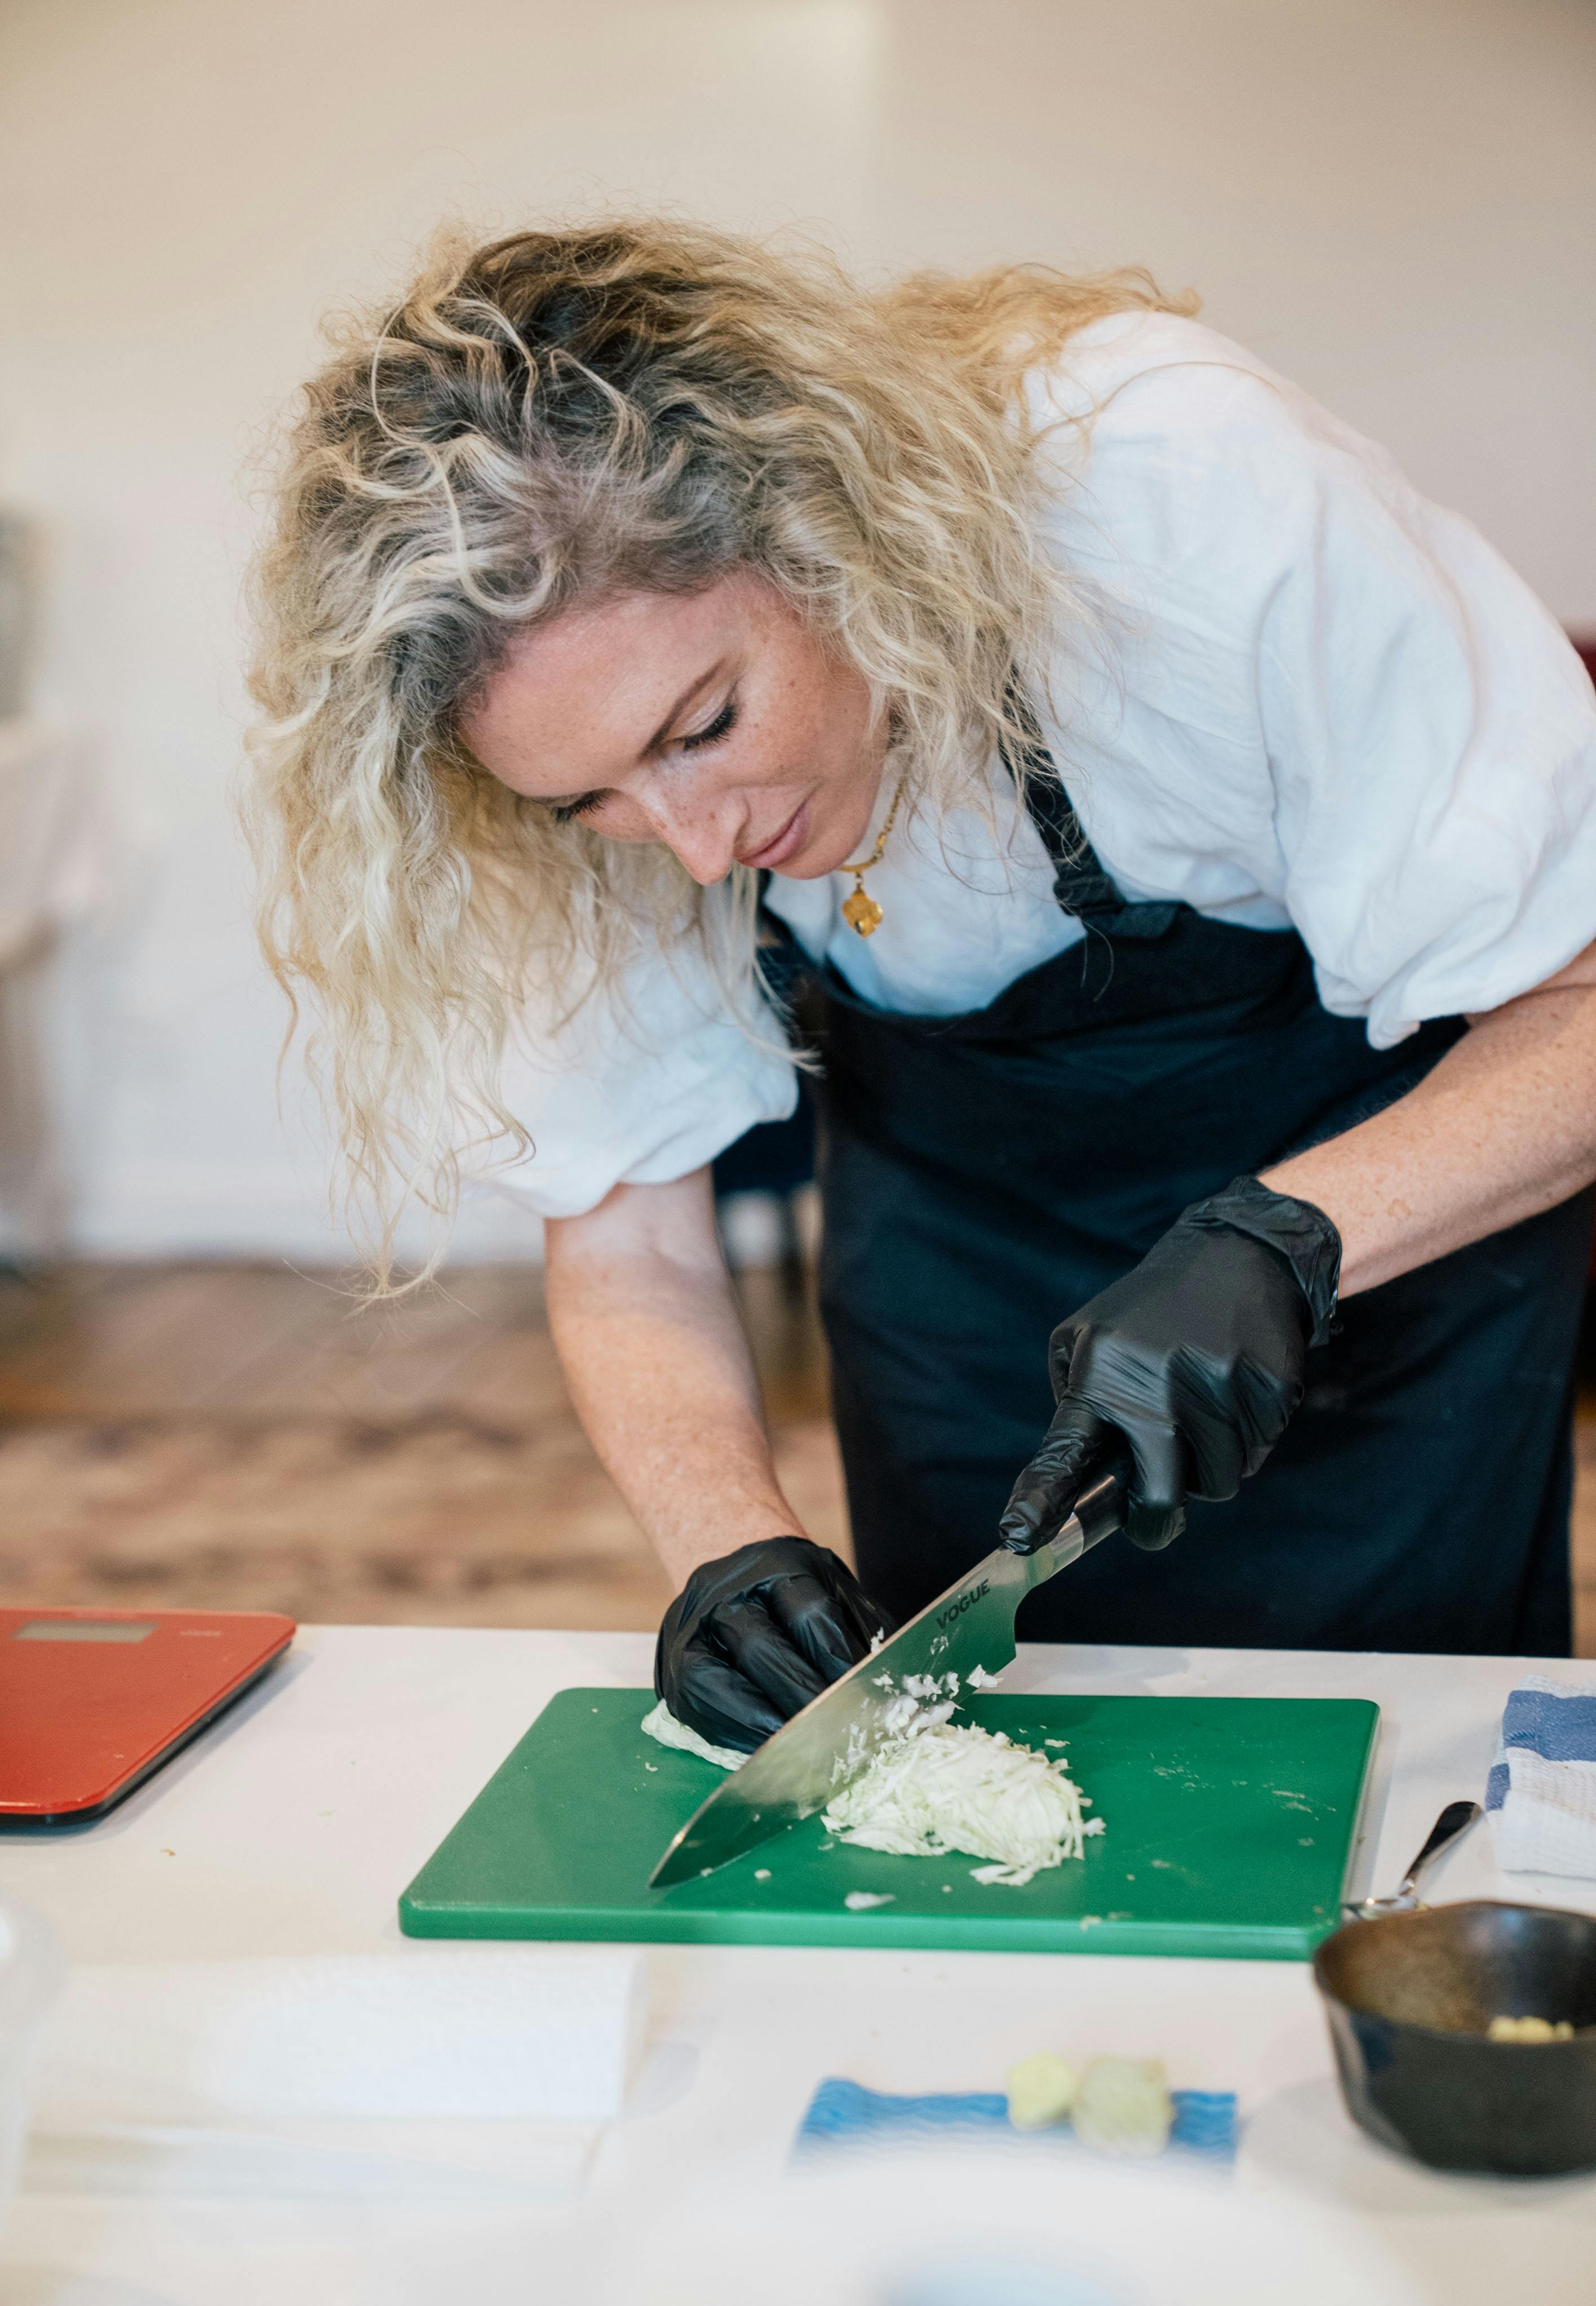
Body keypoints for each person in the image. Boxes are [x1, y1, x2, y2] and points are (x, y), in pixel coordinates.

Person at [249, 221, 1596, 1752]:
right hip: (959, 1286)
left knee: (1387, 1793)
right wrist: (724, 1553)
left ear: (830, 537)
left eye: (705, 725)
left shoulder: (1174, 492)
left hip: (1392, 1276)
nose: (694, 851)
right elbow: (631, 1238)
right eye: (592, 804)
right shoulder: (581, 782)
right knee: (1000, 1785)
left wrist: (1295, 1237)